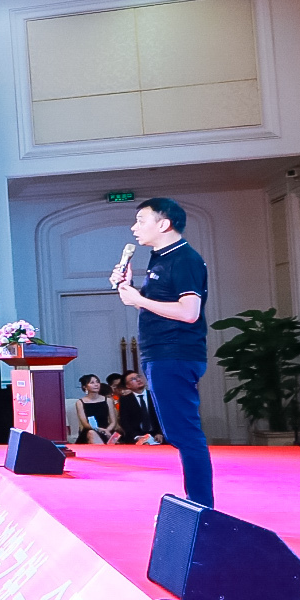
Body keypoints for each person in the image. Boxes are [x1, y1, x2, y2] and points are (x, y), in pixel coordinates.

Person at [113, 197, 212, 505]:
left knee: (184, 433)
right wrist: (129, 289)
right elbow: (156, 307)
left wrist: (139, 300)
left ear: (164, 224)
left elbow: (189, 312)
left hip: (175, 353)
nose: (134, 227)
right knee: (178, 432)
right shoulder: (161, 258)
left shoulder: (184, 259)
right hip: (161, 353)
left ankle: (201, 506)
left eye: (141, 220)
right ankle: (198, 503)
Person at [116, 371, 159, 443]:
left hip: (156, 436)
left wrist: (160, 433)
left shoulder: (154, 396)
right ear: (128, 386)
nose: (138, 380)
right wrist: (136, 436)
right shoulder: (125, 399)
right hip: (136, 436)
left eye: (139, 377)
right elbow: (124, 421)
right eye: (133, 379)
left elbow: (163, 417)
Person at [70, 374, 113, 444]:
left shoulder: (108, 400)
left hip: (107, 430)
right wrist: (99, 430)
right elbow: (85, 423)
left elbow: (113, 422)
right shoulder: (80, 402)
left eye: (97, 382)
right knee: (91, 433)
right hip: (90, 429)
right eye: (92, 383)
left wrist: (107, 430)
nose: (96, 384)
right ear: (85, 387)